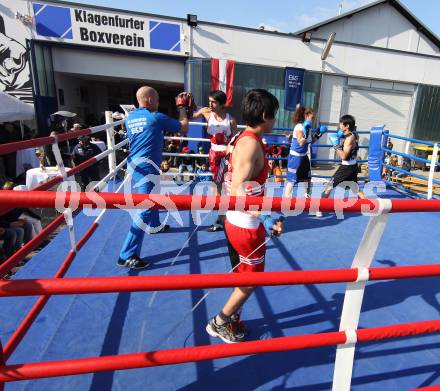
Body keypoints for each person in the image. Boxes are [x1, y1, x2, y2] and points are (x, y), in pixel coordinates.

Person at [206, 89, 284, 343]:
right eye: (273, 116)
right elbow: (239, 190)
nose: (275, 121)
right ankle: (220, 322)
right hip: (245, 224)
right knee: (251, 279)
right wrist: (266, 215)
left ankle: (231, 321)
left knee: (244, 274)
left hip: (239, 221)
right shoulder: (250, 143)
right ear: (265, 115)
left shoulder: (244, 137)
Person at [117, 86, 189, 269]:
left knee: (154, 194)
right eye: (156, 100)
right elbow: (183, 127)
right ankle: (126, 255)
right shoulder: (155, 117)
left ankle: (155, 225)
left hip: (136, 165)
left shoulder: (130, 118)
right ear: (149, 99)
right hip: (146, 167)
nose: (158, 103)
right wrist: (183, 109)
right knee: (145, 208)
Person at [193, 90, 238, 232]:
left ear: (221, 104)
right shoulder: (207, 113)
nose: (210, 104)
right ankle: (222, 217)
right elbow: (190, 117)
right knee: (217, 186)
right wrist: (185, 108)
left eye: (213, 102)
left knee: (224, 186)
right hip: (213, 155)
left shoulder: (231, 120)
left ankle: (223, 218)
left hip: (226, 155)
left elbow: (234, 141)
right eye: (209, 101)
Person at [317, 114, 366, 216]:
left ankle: (319, 209)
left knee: (329, 186)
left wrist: (336, 146)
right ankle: (369, 205)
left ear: (347, 125)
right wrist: (341, 136)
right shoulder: (354, 135)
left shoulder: (349, 139)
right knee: (355, 188)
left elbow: (343, 156)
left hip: (346, 167)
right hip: (353, 166)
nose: (339, 125)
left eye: (341, 123)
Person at [283, 107, 314, 200]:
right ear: (306, 116)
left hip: (304, 156)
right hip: (295, 157)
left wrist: (319, 134)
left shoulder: (307, 127)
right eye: (312, 117)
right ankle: (287, 199)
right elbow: (301, 142)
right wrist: (306, 131)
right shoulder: (299, 127)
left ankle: (307, 196)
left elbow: (310, 142)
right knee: (292, 179)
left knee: (308, 178)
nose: (313, 120)